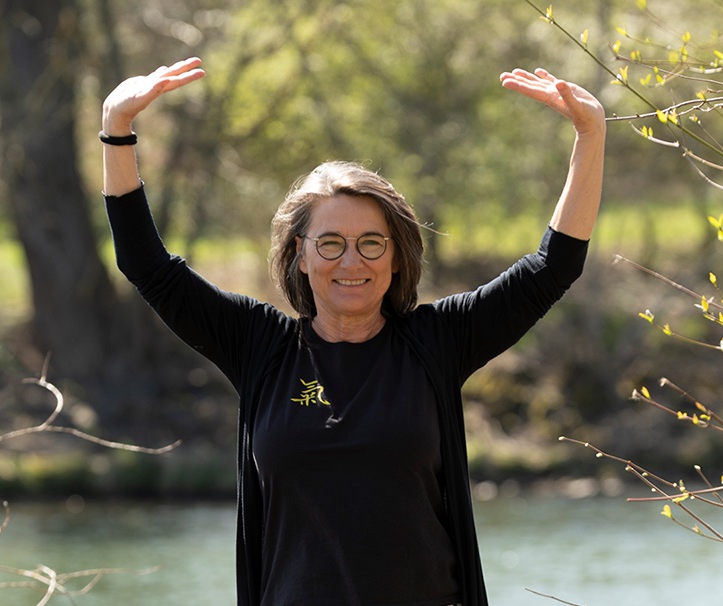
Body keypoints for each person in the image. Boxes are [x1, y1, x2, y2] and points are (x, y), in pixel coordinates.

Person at [100, 57, 605, 606]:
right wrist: (116, 129)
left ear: (394, 258)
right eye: (331, 243)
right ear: (300, 255)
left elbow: (551, 268)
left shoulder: (436, 343)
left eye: (371, 242)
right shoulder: (260, 347)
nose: (351, 262)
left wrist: (590, 132)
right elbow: (147, 266)